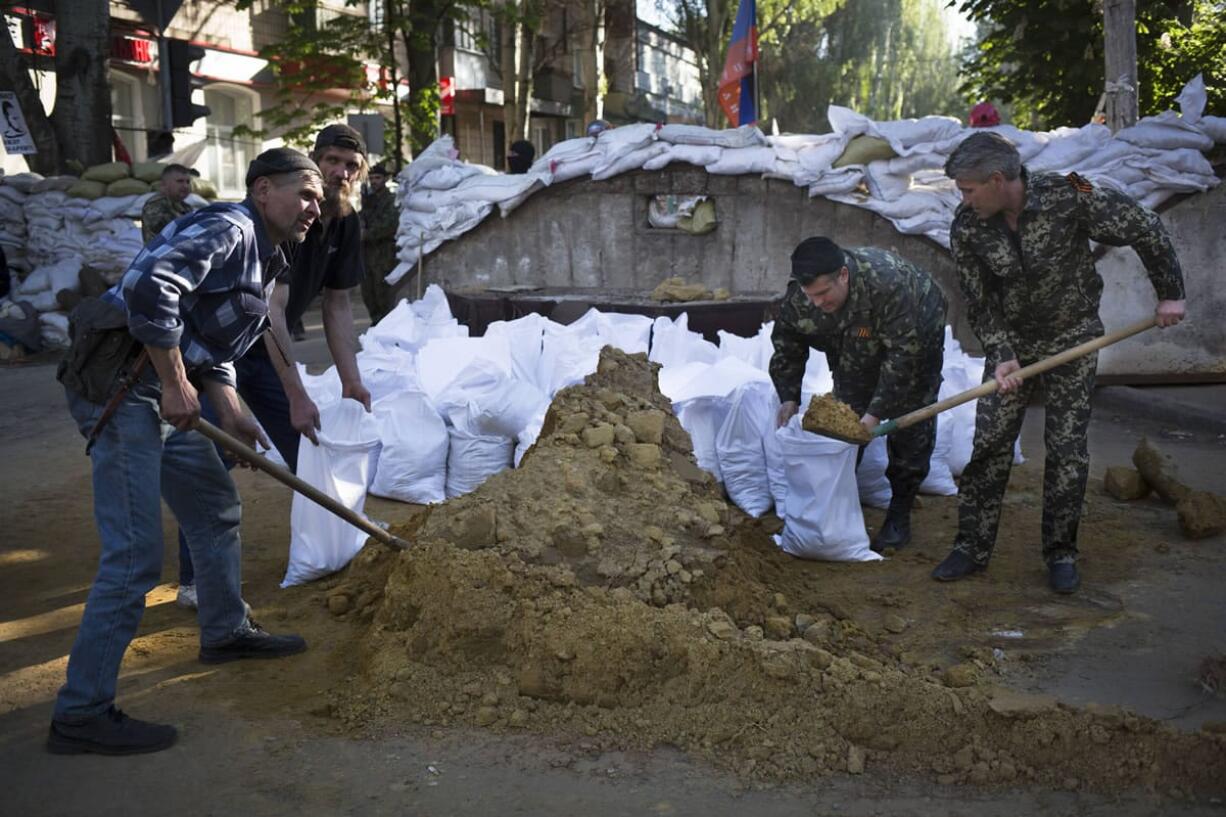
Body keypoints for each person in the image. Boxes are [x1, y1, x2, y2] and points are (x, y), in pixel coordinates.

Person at [48, 148, 322, 755]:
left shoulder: (270, 254)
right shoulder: (228, 228)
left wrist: (230, 408)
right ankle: (81, 711)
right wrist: (174, 384)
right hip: (125, 392)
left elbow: (215, 337)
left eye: (319, 200)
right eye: (304, 193)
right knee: (134, 557)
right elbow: (152, 289)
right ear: (262, 191)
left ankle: (225, 631)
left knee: (215, 509)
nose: (314, 207)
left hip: (169, 395)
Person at [932, 131, 1186, 593]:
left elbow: (1143, 224)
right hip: (1013, 344)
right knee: (989, 444)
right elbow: (979, 299)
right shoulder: (966, 225)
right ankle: (970, 545)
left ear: (995, 180)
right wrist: (1002, 354)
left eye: (967, 189)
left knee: (1067, 451)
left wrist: (1170, 292)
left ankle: (1061, 553)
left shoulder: (1072, 188)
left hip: (1073, 339)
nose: (963, 199)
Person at [173, 124, 373, 608]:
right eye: (331, 161)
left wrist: (352, 380)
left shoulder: (342, 223)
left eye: (351, 166)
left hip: (262, 353)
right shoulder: (280, 218)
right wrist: (297, 393)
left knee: (306, 448)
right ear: (311, 162)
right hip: (218, 349)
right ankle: (196, 578)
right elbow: (272, 311)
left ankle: (331, 549)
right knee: (215, 459)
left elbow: (338, 305)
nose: (339, 173)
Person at [771, 237, 947, 552]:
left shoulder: (886, 284)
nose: (817, 303)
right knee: (845, 411)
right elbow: (787, 341)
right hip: (856, 334)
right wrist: (789, 396)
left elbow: (903, 358)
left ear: (843, 275)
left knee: (910, 417)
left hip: (917, 322)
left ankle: (899, 512)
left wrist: (873, 416)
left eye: (823, 294)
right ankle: (836, 509)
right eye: (811, 296)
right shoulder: (803, 298)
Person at [359, 161, 399, 325]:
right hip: (367, 254)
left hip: (384, 254)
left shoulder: (390, 200)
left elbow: (389, 225)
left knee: (383, 292)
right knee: (368, 293)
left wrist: (365, 234)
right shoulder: (369, 200)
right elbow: (361, 219)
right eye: (372, 178)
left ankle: (386, 324)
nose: (374, 181)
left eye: (377, 178)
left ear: (385, 179)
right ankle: (376, 322)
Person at [141, 164, 199, 243]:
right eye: (180, 181)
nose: (185, 186)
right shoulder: (155, 205)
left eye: (188, 182)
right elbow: (177, 233)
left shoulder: (185, 207)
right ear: (164, 185)